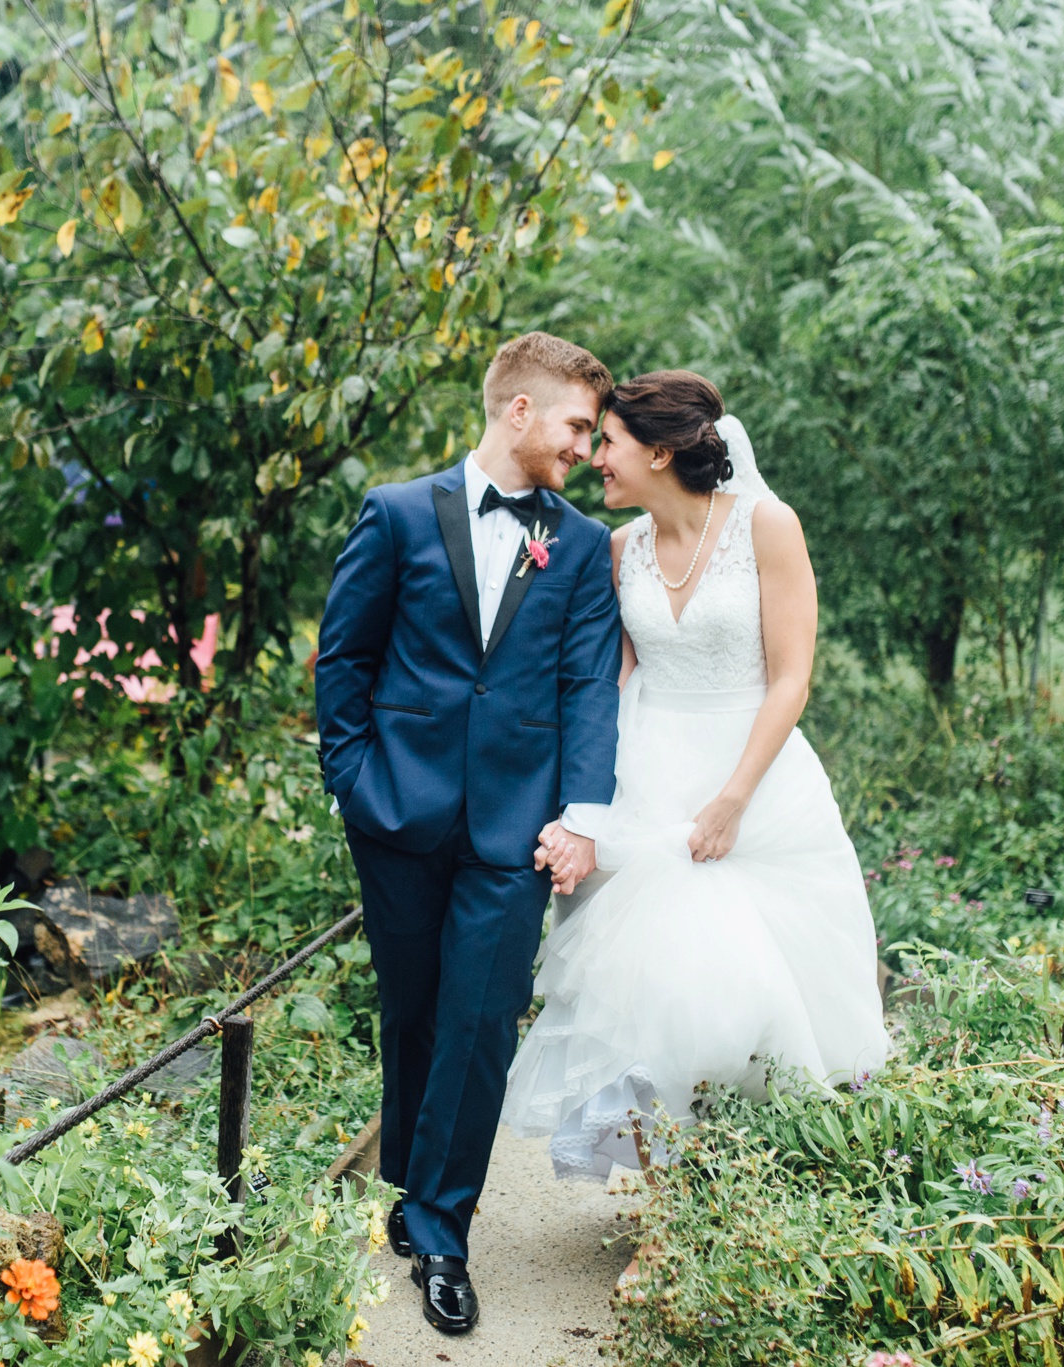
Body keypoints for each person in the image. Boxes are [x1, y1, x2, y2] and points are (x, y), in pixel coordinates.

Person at [505, 371, 889, 1227]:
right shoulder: (620, 549)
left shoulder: (767, 527)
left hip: (754, 778)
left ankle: (750, 1200)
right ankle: (672, 1216)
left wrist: (732, 800)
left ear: (660, 451)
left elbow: (791, 676)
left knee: (742, 1001)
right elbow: (613, 680)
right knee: (649, 1004)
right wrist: (588, 813)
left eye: (608, 443)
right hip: (652, 777)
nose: (595, 457)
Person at [314, 332, 621, 1335]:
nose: (583, 445)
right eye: (576, 424)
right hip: (395, 813)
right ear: (517, 411)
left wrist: (579, 816)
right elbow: (343, 660)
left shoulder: (575, 545)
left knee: (479, 1022)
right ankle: (406, 1180)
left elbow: (584, 684)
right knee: (409, 1014)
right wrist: (355, 785)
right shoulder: (397, 513)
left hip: (514, 828)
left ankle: (442, 1228)